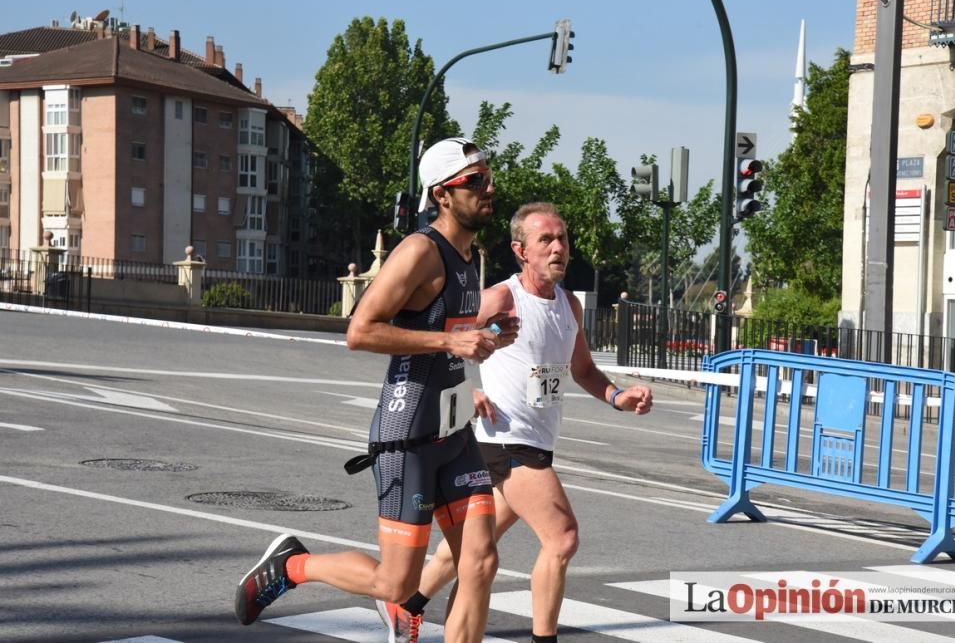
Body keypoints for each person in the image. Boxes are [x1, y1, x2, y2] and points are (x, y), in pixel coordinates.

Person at [234, 137, 518, 643]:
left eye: (488, 177)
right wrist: (452, 340)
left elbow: (445, 330)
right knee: (395, 582)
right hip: (406, 434)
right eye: (475, 181)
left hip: (453, 432)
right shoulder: (419, 251)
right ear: (443, 194)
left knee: (479, 561)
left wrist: (487, 334)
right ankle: (292, 565)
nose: (488, 188)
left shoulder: (468, 254)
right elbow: (360, 330)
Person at [380, 202, 653, 643]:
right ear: (520, 250)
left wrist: (619, 397)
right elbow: (446, 343)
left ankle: (406, 608)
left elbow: (582, 369)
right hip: (503, 442)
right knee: (563, 537)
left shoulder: (568, 305)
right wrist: (469, 388)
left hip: (531, 442)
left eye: (562, 238)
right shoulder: (502, 298)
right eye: (545, 240)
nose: (558, 247)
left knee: (471, 549)